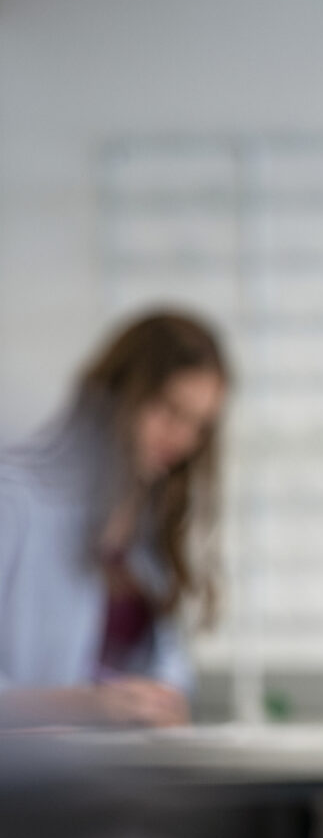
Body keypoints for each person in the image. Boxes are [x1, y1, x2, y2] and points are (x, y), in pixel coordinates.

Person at [0, 310, 228, 728]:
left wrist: (164, 705)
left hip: (115, 779)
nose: (182, 439)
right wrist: (86, 707)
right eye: (169, 410)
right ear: (118, 392)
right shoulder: (14, 501)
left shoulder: (149, 531)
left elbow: (170, 676)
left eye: (198, 426)